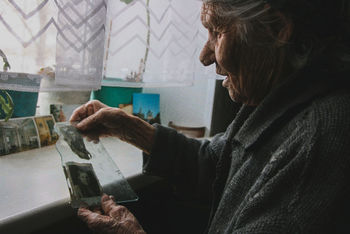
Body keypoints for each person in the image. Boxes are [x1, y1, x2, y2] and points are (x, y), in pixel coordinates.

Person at [71, 0, 350, 233]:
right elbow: (218, 163)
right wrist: (128, 127)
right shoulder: (283, 102)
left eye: (217, 31)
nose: (205, 56)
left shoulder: (320, 139)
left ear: (277, 29)